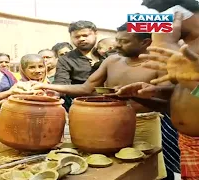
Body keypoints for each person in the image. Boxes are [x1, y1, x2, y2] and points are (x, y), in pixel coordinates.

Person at [31, 22, 170, 179]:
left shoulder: (159, 65)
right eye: (117, 40)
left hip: (145, 124)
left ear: (145, 42)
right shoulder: (111, 62)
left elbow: (166, 103)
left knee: (146, 170)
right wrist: (43, 86)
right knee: (112, 170)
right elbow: (85, 88)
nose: (117, 46)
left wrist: (135, 95)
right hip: (110, 123)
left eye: (124, 42)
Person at [117, 9, 199, 180]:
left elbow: (194, 87)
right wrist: (153, 93)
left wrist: (193, 83)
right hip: (187, 144)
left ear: (179, 16)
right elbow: (187, 95)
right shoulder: (187, 46)